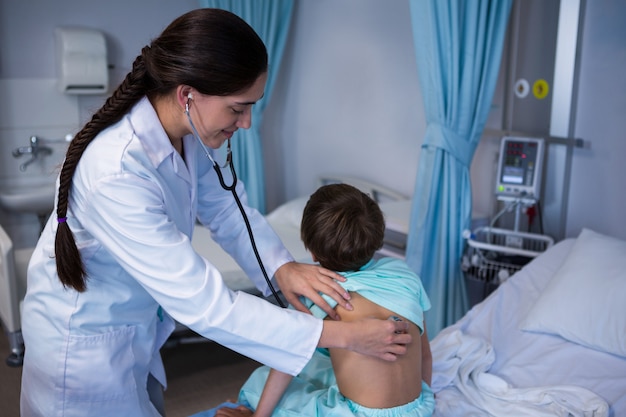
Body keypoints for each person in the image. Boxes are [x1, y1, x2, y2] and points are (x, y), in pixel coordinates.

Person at [19, 9, 411, 417]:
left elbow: (227, 208)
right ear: (188, 95)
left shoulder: (188, 136)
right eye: (238, 108)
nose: (246, 124)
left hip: (131, 333)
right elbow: (207, 305)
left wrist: (281, 268)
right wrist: (343, 337)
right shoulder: (116, 172)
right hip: (84, 354)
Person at [208, 183, 435, 417]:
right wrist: (425, 397)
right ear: (378, 239)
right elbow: (425, 355)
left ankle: (250, 410)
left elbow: (285, 363)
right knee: (317, 368)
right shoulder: (406, 276)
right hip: (420, 407)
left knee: (261, 380)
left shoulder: (318, 293)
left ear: (312, 253)